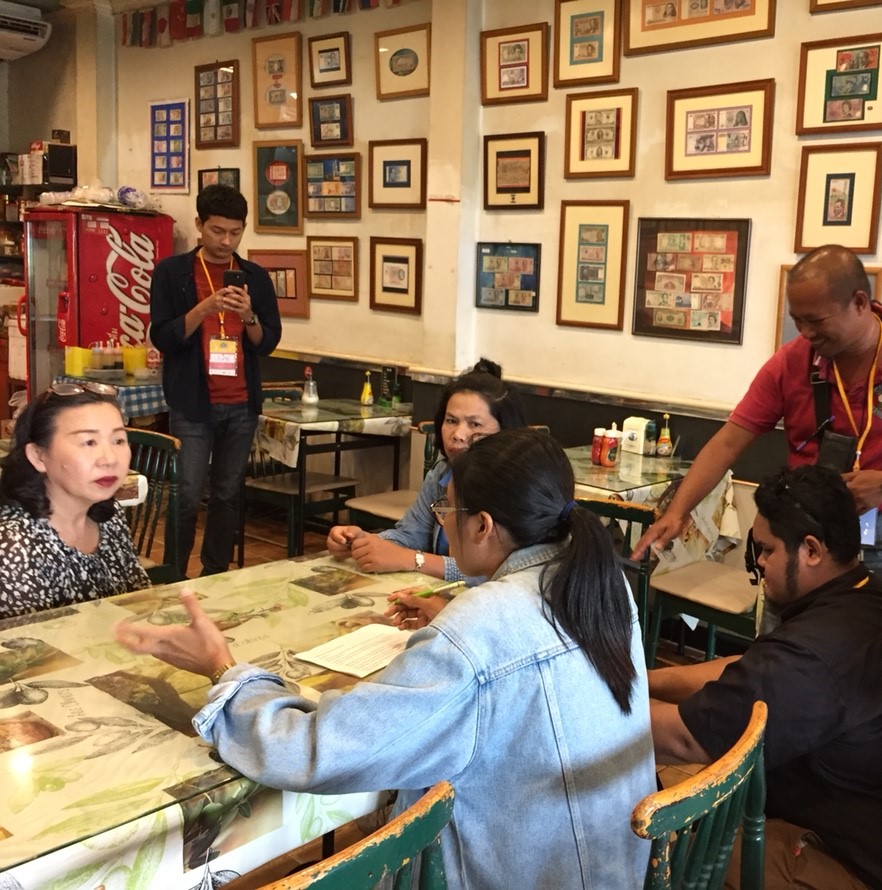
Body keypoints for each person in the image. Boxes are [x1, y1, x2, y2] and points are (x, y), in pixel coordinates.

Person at [116, 429, 655, 887]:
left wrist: (222, 667)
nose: (441, 519)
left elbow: (315, 750)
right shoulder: (600, 584)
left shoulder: (480, 628)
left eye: (447, 509)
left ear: (483, 525)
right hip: (610, 867)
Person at [649, 466, 882, 889]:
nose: (760, 563)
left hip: (866, 870)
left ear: (811, 550)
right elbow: (751, 669)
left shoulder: (816, 655)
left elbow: (684, 739)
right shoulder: (867, 596)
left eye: (767, 550)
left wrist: (584, 701)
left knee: (680, 861)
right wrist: (647, 680)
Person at [633, 244, 882, 625]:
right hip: (804, 544)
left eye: (816, 320)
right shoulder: (791, 361)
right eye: (797, 320)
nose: (804, 332)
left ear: (859, 302)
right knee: (788, 654)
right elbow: (729, 442)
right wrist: (678, 511)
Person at [149, 184, 282, 578]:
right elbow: (163, 336)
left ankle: (215, 573)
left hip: (241, 404)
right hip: (192, 403)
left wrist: (249, 315)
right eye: (217, 231)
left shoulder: (255, 278)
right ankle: (173, 574)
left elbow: (267, 343)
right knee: (188, 494)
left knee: (227, 494)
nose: (226, 241)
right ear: (199, 225)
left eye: (235, 232)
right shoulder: (172, 273)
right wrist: (205, 307)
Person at [326, 359, 527, 617]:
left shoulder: (516, 488)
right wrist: (362, 542)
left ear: (504, 431)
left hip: (489, 615)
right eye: (451, 420)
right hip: (439, 606)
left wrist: (414, 560)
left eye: (474, 425)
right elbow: (411, 534)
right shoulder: (442, 474)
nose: (458, 434)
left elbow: (500, 573)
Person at [0, 382, 148, 619]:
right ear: (38, 456)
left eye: (118, 440)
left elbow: (139, 604)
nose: (110, 459)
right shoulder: (13, 546)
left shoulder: (108, 516)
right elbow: (36, 642)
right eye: (89, 442)